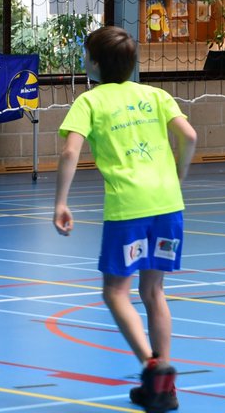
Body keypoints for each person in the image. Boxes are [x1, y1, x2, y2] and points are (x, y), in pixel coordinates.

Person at [53, 26, 197, 413]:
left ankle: (153, 367)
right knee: (154, 293)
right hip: (169, 205)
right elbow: (190, 135)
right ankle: (162, 390)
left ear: (96, 63)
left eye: (86, 54)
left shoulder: (89, 101)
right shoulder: (156, 95)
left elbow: (70, 153)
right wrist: (177, 176)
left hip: (128, 209)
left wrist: (61, 203)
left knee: (115, 292)